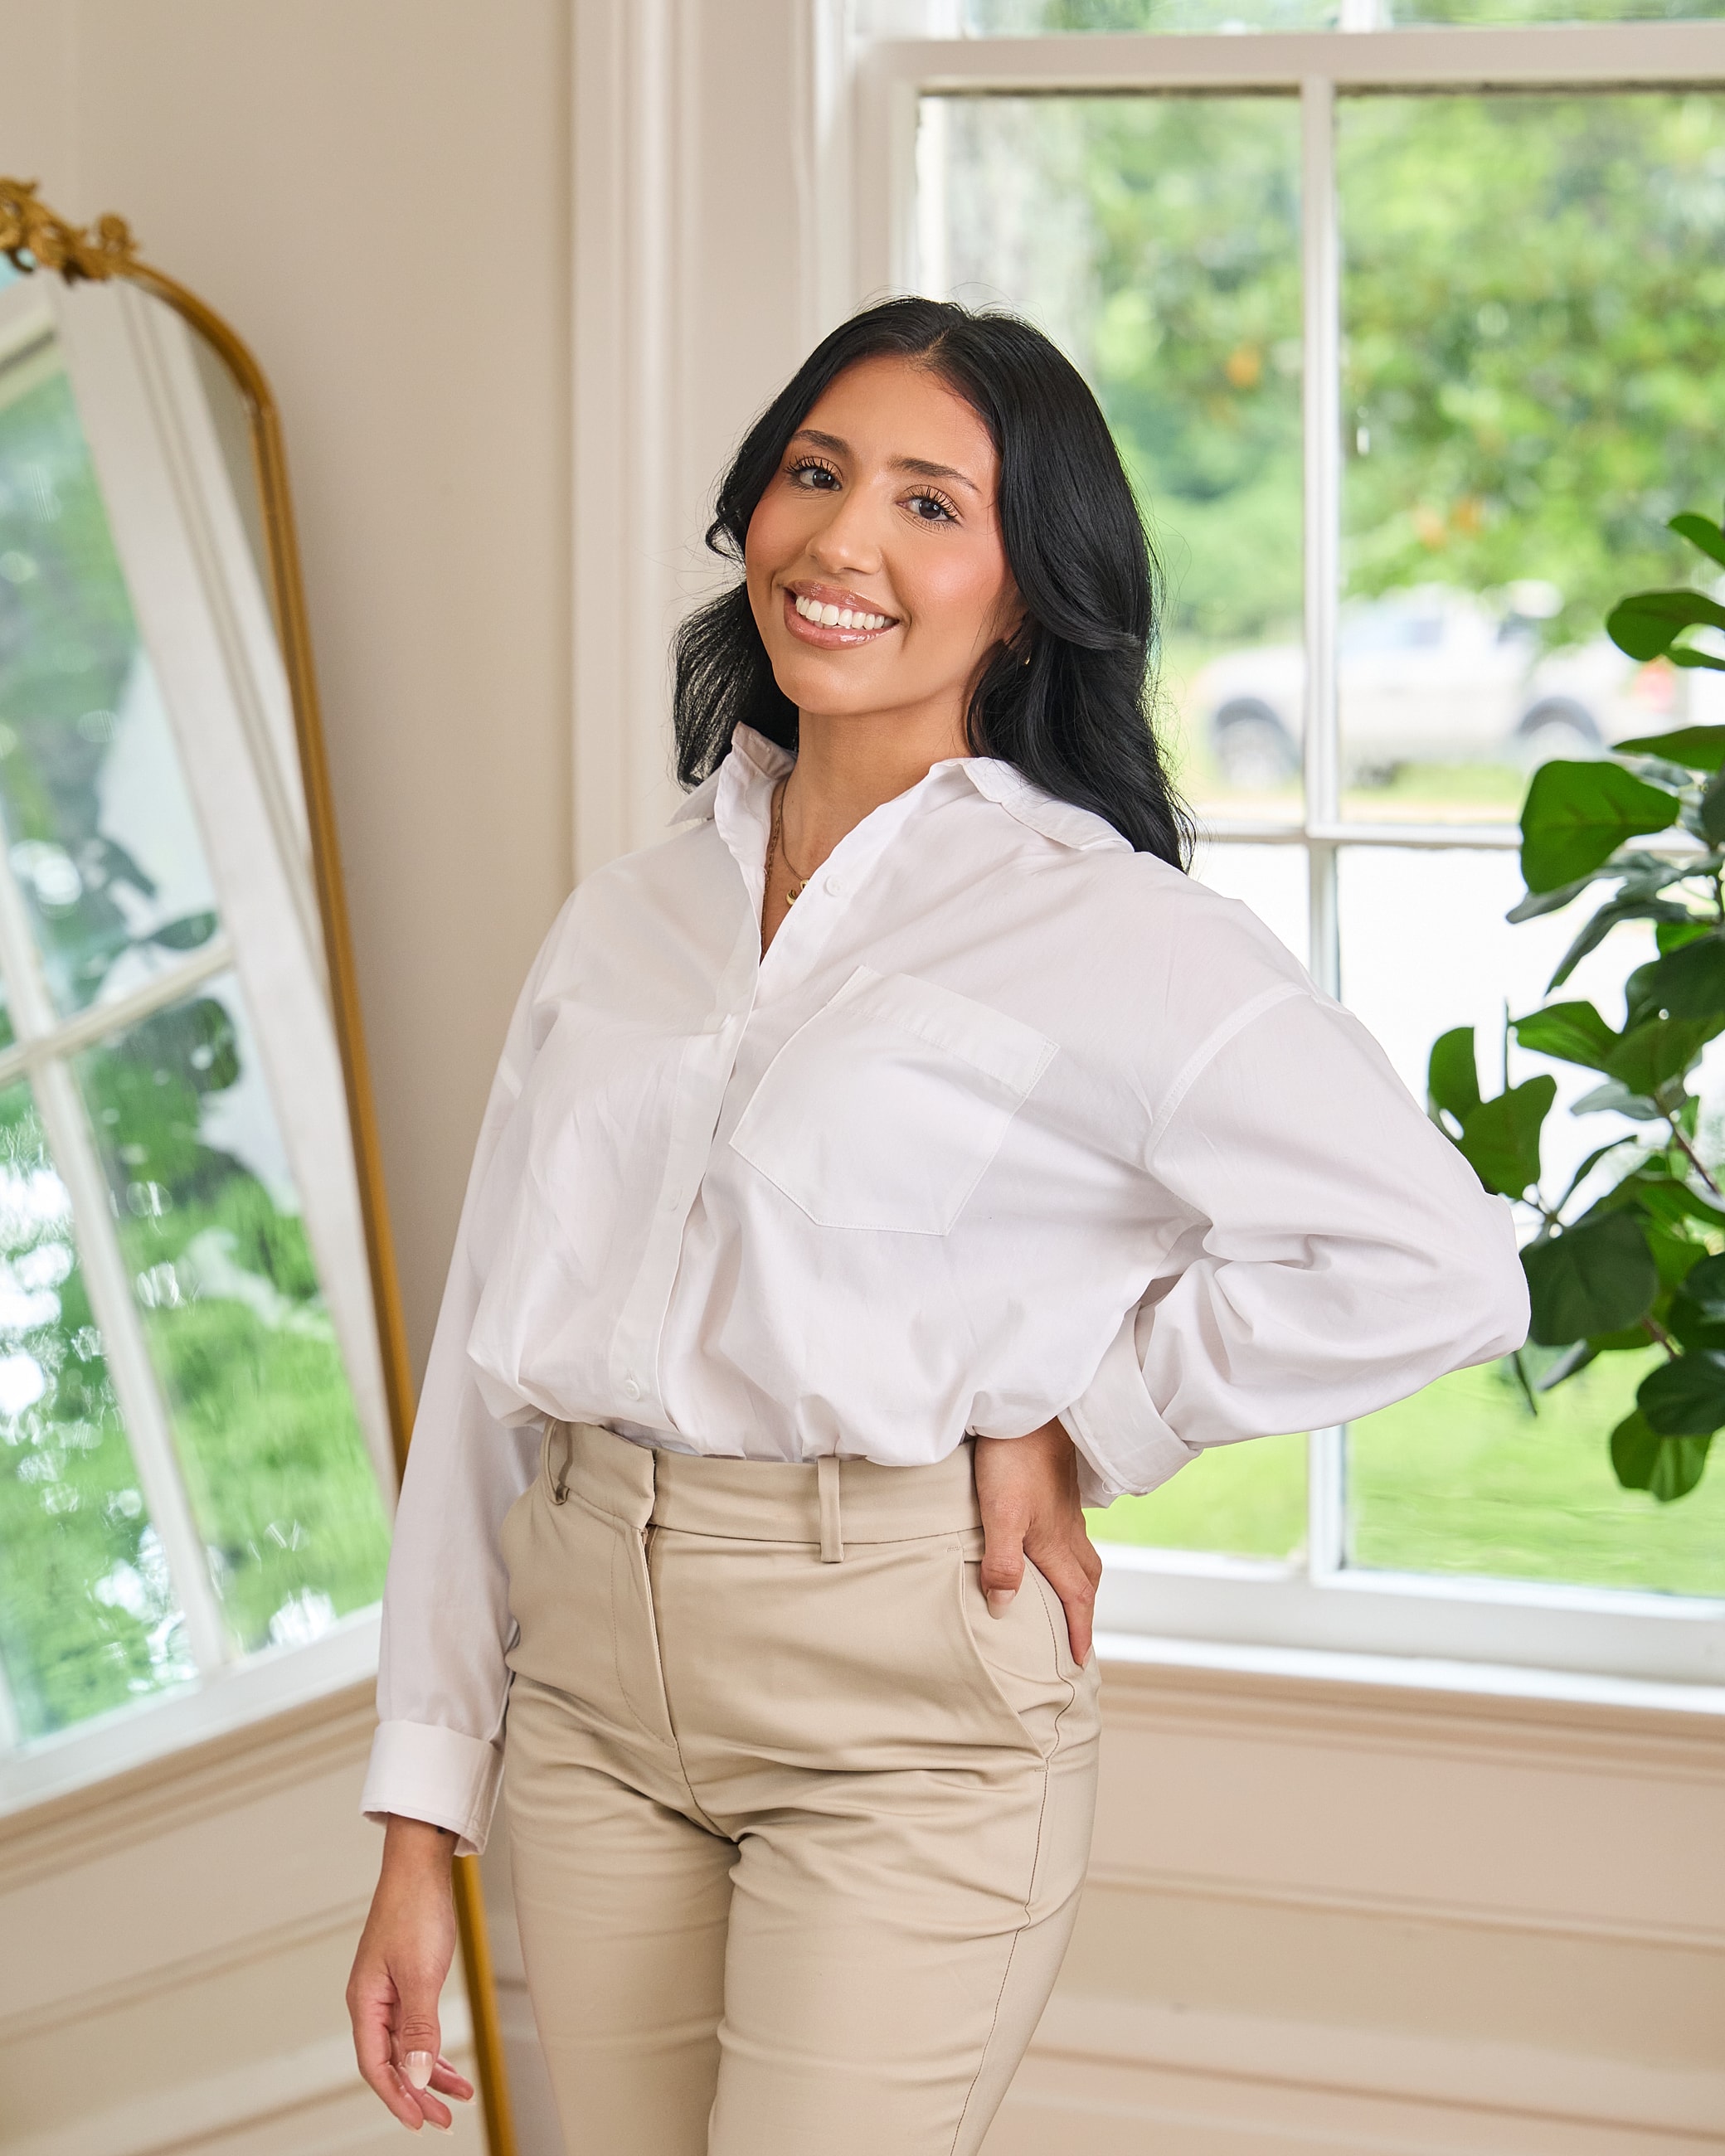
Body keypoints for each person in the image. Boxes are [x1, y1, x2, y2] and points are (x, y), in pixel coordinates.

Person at [345, 297, 1528, 2154]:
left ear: (1028, 589)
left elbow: (1439, 1263)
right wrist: (422, 1813)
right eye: (813, 477)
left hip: (899, 1704)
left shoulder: (1107, 931)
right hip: (581, 1694)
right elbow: (481, 1371)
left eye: (928, 504)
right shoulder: (624, 922)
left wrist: (1088, 1415)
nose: (843, 543)